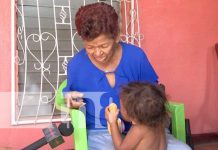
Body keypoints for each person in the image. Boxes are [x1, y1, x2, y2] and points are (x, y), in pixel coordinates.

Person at [63, 2, 191, 150]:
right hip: (101, 132)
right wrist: (70, 100)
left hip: (146, 127)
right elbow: (68, 95)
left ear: (117, 36)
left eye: (104, 46)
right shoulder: (77, 65)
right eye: (90, 47)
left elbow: (154, 95)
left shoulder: (136, 57)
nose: (97, 53)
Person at [105, 82, 167, 150]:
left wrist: (112, 122)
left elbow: (120, 148)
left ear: (134, 119)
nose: (119, 109)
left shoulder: (138, 129)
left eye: (121, 107)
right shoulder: (159, 123)